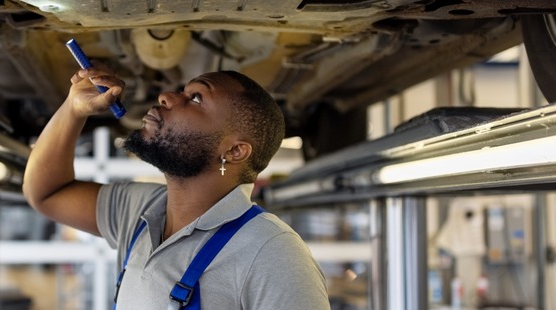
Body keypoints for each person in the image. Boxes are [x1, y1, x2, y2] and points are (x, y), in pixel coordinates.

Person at [23, 64, 330, 309]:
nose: (167, 96)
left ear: (235, 151)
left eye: (196, 98)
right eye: (185, 92)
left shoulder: (273, 253)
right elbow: (47, 192)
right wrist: (73, 110)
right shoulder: (142, 212)